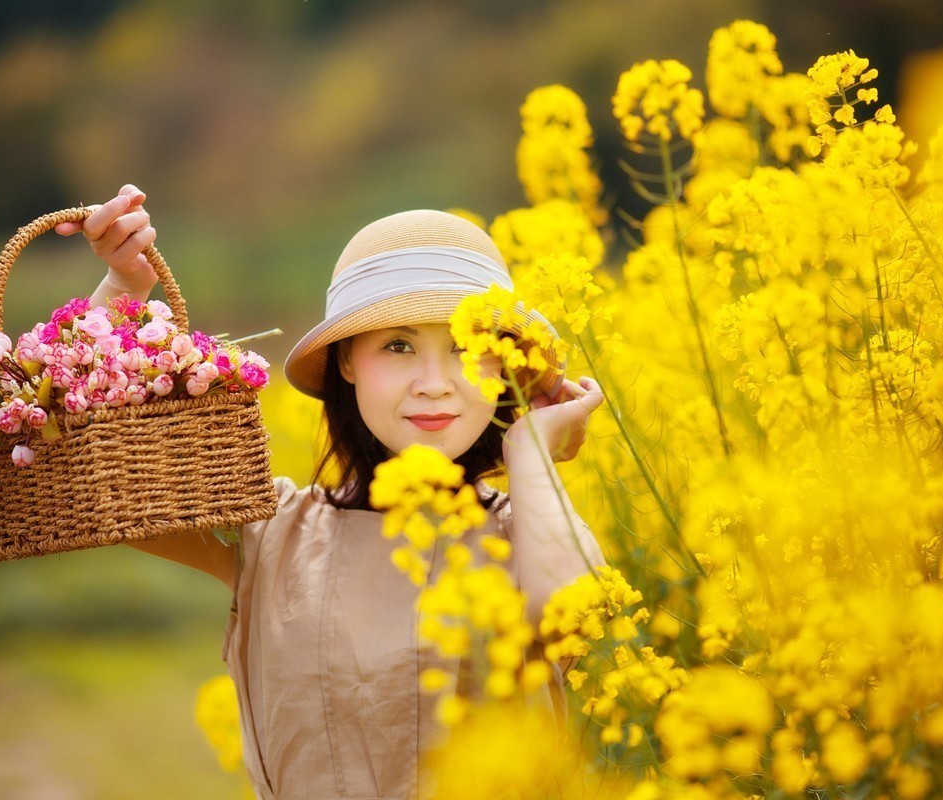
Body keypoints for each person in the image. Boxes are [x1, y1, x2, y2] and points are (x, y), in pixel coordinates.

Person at [56, 184, 606, 800]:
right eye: (398, 346)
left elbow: (573, 627)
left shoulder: (530, 534)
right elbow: (79, 473)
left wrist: (529, 451)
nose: (434, 383)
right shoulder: (269, 531)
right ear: (346, 361)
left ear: (501, 368)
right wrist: (122, 289)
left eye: (467, 349)